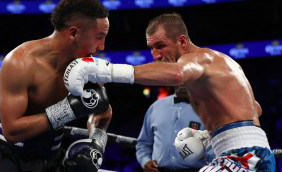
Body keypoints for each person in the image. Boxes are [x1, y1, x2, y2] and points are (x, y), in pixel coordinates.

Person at [64, 13, 276, 171]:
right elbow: (254, 109)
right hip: (244, 154)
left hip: (246, 156)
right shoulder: (221, 64)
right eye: (151, 48)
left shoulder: (199, 59)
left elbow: (177, 75)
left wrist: (106, 71)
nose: (155, 55)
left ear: (182, 41)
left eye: (160, 46)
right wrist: (206, 136)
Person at [0, 0, 112, 172]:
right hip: (5, 155)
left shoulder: (87, 69)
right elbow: (11, 131)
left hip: (50, 158)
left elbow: (103, 112)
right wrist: (67, 110)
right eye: (99, 37)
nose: (102, 46)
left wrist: (96, 146)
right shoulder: (21, 62)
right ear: (73, 33)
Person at [136, 86, 215, 172]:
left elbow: (222, 146)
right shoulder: (156, 107)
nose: (182, 83)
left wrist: (205, 155)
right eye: (180, 78)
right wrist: (145, 161)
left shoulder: (209, 109)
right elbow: (143, 143)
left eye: (186, 78)